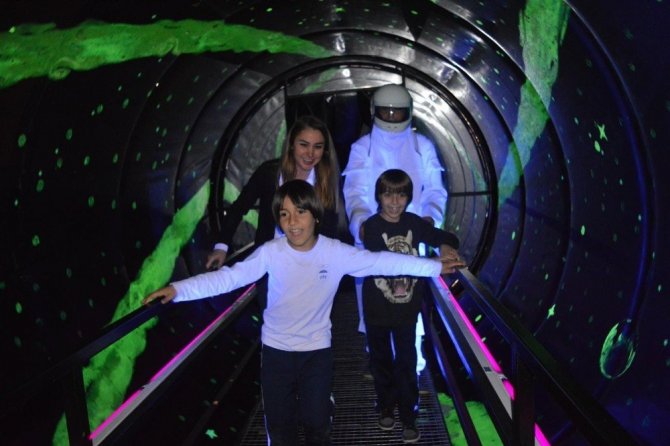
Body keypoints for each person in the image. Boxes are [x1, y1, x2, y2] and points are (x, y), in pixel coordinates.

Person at [144, 180, 465, 446]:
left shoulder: (333, 252)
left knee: (317, 426)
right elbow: (228, 278)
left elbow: (384, 261)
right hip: (276, 352)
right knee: (280, 429)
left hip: (316, 352)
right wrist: (178, 290)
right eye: (284, 214)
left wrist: (434, 266)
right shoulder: (271, 252)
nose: (292, 222)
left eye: (300, 212)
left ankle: (324, 407)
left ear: (315, 215)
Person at [342, 83, 449, 372]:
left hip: (412, 237)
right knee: (374, 302)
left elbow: (435, 190)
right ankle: (378, 361)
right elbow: (354, 191)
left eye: (397, 112)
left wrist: (430, 218)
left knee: (410, 300)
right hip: (373, 238)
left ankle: (413, 366)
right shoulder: (362, 147)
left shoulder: (422, 146)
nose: (391, 118)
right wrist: (362, 224)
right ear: (374, 111)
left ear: (409, 112)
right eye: (386, 112)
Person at [205, 115, 342, 314]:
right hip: (271, 266)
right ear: (291, 144)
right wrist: (221, 247)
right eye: (304, 145)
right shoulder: (269, 173)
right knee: (273, 322)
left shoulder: (326, 179)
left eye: (318, 147)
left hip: (310, 269)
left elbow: (330, 229)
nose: (310, 153)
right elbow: (239, 207)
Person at [362, 169, 460, 443]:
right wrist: (431, 264)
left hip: (406, 312)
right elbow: (386, 262)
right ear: (378, 196)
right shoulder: (371, 227)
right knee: (380, 362)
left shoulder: (414, 223)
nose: (394, 202)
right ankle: (385, 406)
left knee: (406, 363)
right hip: (377, 310)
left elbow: (446, 236)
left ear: (408, 197)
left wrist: (444, 246)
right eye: (388, 195)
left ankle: (408, 415)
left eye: (401, 195)